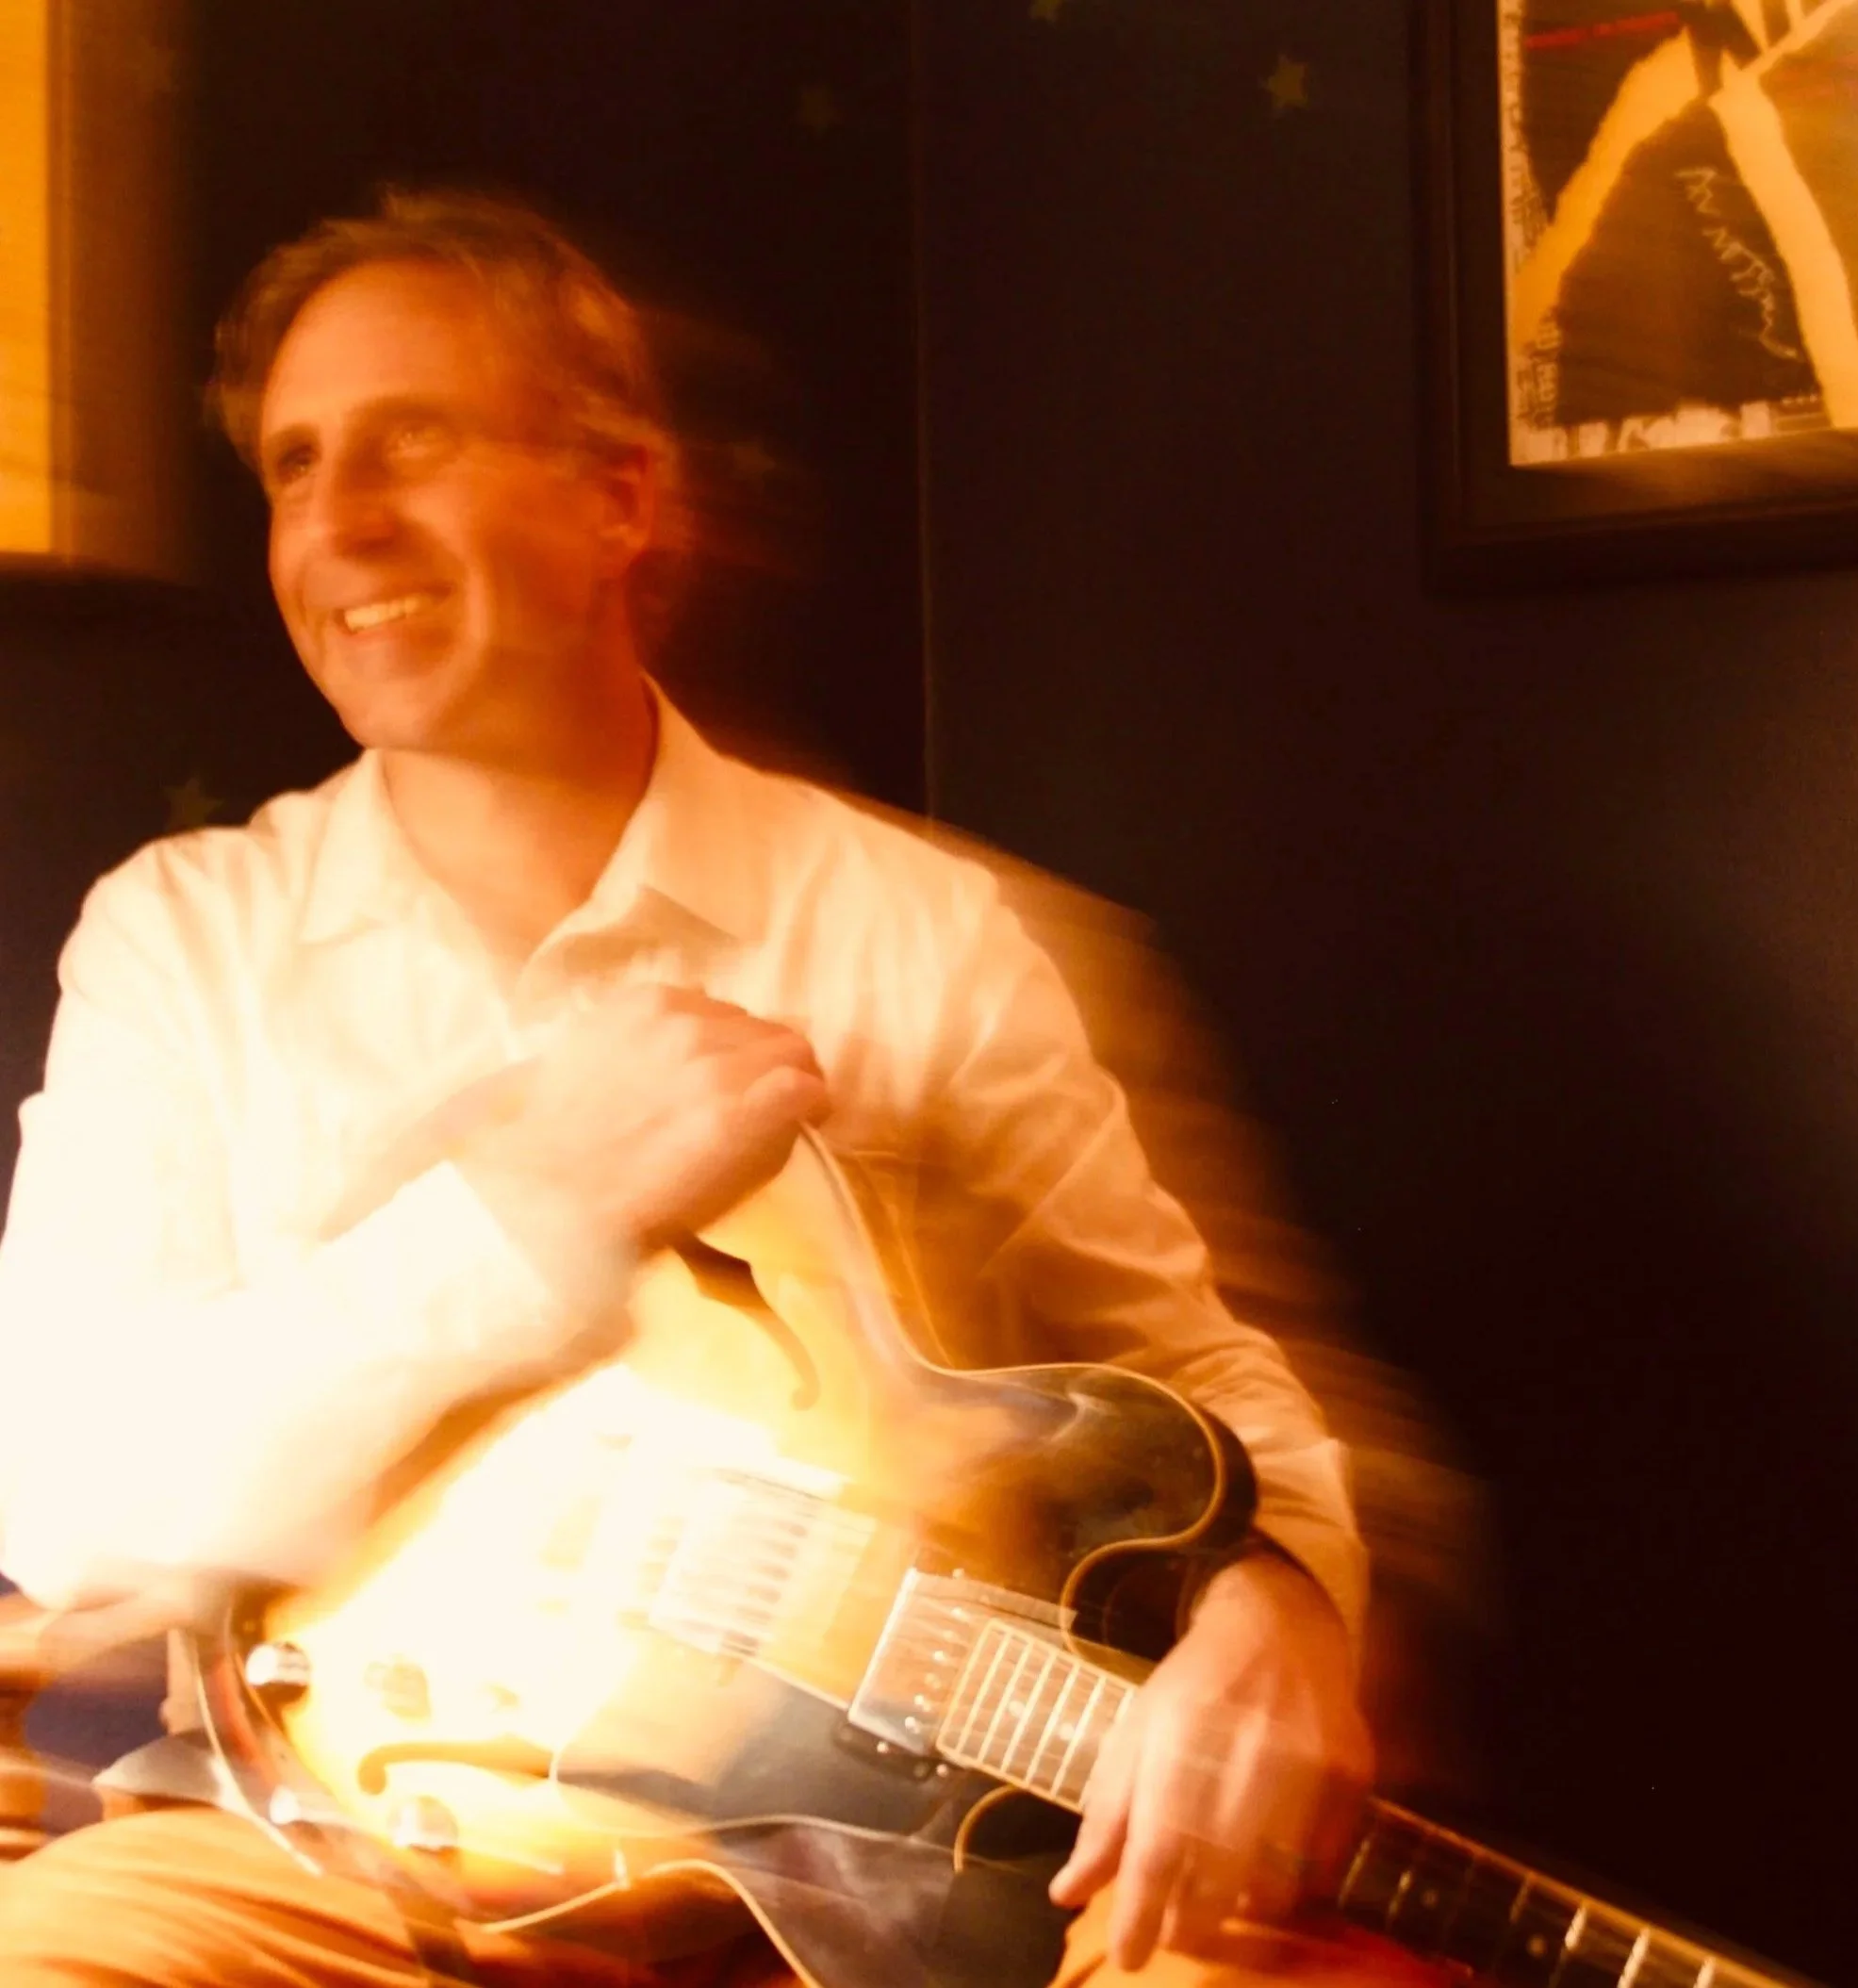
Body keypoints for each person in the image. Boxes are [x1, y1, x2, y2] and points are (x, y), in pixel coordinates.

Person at [0, 189, 1413, 1988]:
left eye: (411, 440)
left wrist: (1283, 1597)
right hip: (320, 1862)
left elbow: (1199, 1376)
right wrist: (533, 1210)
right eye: (294, 465)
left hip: (874, 1873)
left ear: (620, 498)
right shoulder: (184, 938)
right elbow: (72, 1498)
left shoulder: (916, 932)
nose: (337, 525)